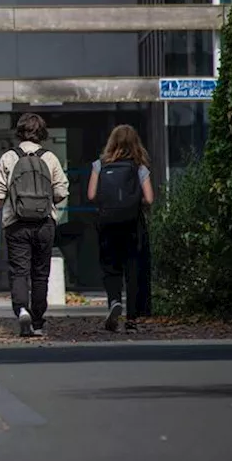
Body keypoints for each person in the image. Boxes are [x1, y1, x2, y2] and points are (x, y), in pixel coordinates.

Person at [0, 113, 69, 337]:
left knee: (19, 271)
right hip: (44, 224)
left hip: (15, 223)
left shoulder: (8, 158)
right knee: (41, 273)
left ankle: (22, 309)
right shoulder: (50, 158)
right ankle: (38, 321)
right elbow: (61, 192)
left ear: (19, 131)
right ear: (42, 133)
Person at [87, 124, 155, 333]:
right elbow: (150, 199)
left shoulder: (99, 165)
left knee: (111, 268)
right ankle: (132, 317)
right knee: (132, 269)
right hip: (133, 225)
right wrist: (134, 201)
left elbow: (91, 195)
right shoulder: (139, 168)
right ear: (136, 144)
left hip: (107, 224)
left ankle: (114, 301)